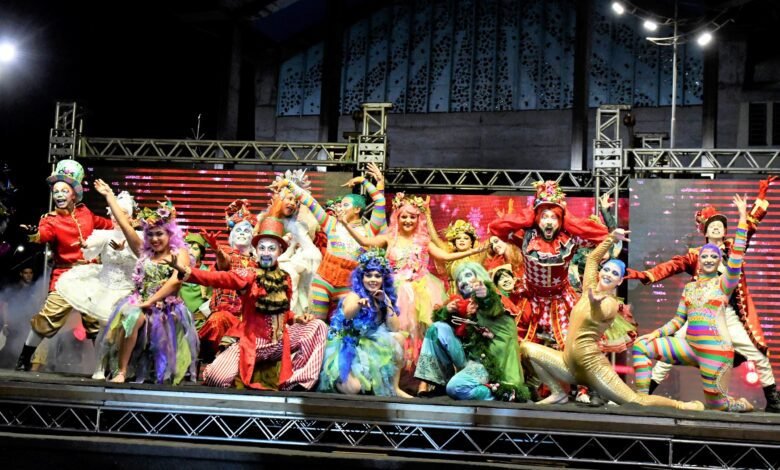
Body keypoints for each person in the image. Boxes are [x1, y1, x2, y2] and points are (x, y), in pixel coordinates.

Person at [626, 178, 780, 413]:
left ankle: (772, 400)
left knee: (756, 352)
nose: (717, 227)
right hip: (700, 315)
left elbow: (750, 224)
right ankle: (645, 396)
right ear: (705, 231)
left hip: (727, 314)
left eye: (720, 225)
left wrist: (761, 193)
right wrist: (644, 275)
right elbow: (670, 266)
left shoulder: (732, 250)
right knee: (668, 351)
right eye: (712, 225)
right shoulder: (696, 255)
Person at [521, 228, 703, 410]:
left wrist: (594, 303)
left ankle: (682, 406)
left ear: (620, 281)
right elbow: (592, 259)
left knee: (635, 401)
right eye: (606, 270)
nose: (608, 274)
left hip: (592, 368)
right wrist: (610, 239)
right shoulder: (589, 289)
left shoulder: (610, 303)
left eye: (615, 274)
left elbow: (599, 313)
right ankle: (558, 393)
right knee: (526, 349)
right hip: (568, 364)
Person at [339, 192, 484, 392]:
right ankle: (392, 380)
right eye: (404, 216)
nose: (408, 220)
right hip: (394, 293)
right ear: (397, 217)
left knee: (423, 337)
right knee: (398, 334)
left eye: (412, 216)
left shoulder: (424, 241)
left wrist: (473, 251)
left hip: (422, 291)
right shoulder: (390, 238)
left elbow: (445, 256)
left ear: (419, 219)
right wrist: (346, 225)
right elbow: (365, 242)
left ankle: (423, 382)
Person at [170, 217, 328, 390]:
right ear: (257, 251)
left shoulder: (286, 279)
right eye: (262, 248)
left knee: (318, 326)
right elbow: (218, 278)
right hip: (253, 344)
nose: (266, 252)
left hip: (279, 342)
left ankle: (297, 382)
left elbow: (283, 313)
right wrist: (185, 270)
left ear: (280, 251)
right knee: (216, 377)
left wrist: (298, 317)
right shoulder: (248, 274)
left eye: (271, 248)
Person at [93, 179, 198, 384]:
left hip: (167, 306)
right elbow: (125, 225)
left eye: (159, 234)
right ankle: (121, 371)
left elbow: (176, 282)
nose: (155, 239)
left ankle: (161, 372)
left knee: (162, 324)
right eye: (150, 235)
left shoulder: (180, 253)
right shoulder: (143, 251)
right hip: (139, 303)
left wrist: (151, 302)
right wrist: (109, 196)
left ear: (170, 234)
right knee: (134, 318)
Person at [15, 160, 113, 371]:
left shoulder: (87, 213)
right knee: (47, 317)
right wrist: (33, 233)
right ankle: (24, 359)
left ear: (74, 194)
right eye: (56, 191)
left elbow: (108, 225)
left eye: (64, 190)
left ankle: (104, 368)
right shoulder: (50, 220)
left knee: (96, 322)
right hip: (65, 275)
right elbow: (43, 235)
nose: (58, 194)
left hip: (90, 275)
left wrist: (129, 223)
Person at [272, 162, 386, 320]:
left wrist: (364, 181)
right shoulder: (331, 223)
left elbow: (380, 202)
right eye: (340, 204)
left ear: (357, 209)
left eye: (345, 204)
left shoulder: (369, 230)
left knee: (346, 326)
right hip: (324, 279)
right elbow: (310, 202)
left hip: (349, 283)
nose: (340, 207)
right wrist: (288, 184)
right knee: (315, 323)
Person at [53, 191, 140, 380]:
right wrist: (85, 245)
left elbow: (144, 258)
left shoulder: (139, 236)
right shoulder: (104, 235)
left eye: (121, 214)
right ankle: (100, 366)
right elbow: (90, 250)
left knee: (124, 330)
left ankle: (119, 367)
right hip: (106, 287)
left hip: (129, 290)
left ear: (130, 216)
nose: (115, 218)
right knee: (107, 331)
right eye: (113, 214)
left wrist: (126, 248)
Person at [415, 261, 530, 401]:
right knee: (436, 329)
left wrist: (484, 294)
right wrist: (447, 311)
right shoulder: (462, 304)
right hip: (470, 358)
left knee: (456, 388)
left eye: (468, 275)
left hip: (490, 363)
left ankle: (499, 393)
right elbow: (447, 325)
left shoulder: (495, 298)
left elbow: (491, 303)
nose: (463, 282)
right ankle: (439, 383)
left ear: (480, 277)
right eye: (459, 280)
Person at [318, 249, 410, 397]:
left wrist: (386, 302)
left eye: (377, 276)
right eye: (368, 275)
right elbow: (348, 314)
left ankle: (395, 388)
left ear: (383, 279)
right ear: (361, 278)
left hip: (368, 343)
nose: (373, 279)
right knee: (354, 389)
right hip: (347, 346)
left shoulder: (381, 297)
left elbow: (395, 327)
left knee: (398, 337)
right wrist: (359, 305)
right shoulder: (354, 295)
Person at [197, 200, 258, 365]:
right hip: (227, 316)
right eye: (238, 230)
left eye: (247, 230)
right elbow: (224, 263)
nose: (243, 233)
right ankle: (214, 361)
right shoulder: (228, 252)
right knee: (217, 320)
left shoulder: (259, 260)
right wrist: (217, 250)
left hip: (251, 319)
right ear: (231, 234)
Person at [256, 170, 322, 317]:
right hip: (266, 264)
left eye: (295, 201)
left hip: (288, 265)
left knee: (292, 274)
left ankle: (288, 315)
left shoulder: (297, 226)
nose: (292, 203)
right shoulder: (266, 220)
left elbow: (312, 252)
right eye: (289, 199)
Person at [179, 232, 213, 330]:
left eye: (195, 249)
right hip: (180, 322)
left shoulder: (209, 272)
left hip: (202, 324)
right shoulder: (175, 272)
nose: (190, 251)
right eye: (187, 248)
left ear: (202, 253)